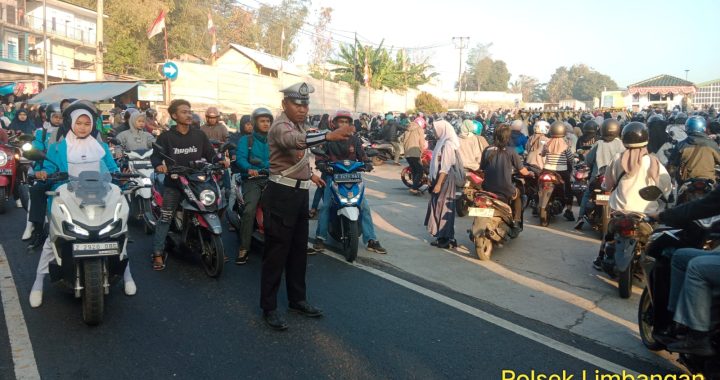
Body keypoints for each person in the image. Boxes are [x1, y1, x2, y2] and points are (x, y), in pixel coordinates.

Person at [260, 82, 353, 331]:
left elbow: (300, 154)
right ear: (284, 105)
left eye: (305, 104)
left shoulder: (299, 124)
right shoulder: (281, 126)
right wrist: (327, 135)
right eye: (297, 104)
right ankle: (269, 307)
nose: (302, 109)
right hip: (281, 195)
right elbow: (296, 143)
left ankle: (297, 300)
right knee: (276, 254)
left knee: (298, 251)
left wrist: (310, 174)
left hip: (299, 194)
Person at [28, 101, 135, 308]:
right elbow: (49, 167)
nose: (83, 127)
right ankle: (38, 282)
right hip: (66, 198)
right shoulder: (57, 147)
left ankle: (128, 276)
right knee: (53, 239)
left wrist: (122, 177)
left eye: (87, 123)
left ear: (93, 125)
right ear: (70, 123)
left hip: (100, 197)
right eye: (79, 123)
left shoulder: (101, 146)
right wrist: (43, 173)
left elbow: (112, 170)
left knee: (117, 234)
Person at [150, 99, 226, 271]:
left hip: (197, 181)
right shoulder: (166, 137)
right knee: (166, 217)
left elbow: (211, 154)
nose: (188, 114)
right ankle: (158, 253)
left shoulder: (199, 135)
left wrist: (220, 161)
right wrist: (159, 166)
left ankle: (213, 244)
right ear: (174, 116)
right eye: (184, 112)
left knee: (216, 205)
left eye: (189, 111)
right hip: (175, 182)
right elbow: (155, 156)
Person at [592, 122, 672, 269]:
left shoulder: (617, 158)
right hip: (645, 211)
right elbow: (665, 184)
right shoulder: (652, 160)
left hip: (620, 208)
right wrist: (666, 195)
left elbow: (608, 182)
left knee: (609, 234)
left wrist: (605, 187)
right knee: (655, 236)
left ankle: (600, 257)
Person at [312, 110, 387, 255]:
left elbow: (362, 155)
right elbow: (320, 157)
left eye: (347, 122)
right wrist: (321, 164)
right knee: (326, 205)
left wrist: (367, 163)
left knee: (364, 206)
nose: (344, 124)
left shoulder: (355, 140)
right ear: (334, 124)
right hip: (333, 176)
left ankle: (371, 240)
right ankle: (320, 237)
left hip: (353, 177)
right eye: (341, 121)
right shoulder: (328, 139)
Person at [233, 107, 272, 265]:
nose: (266, 124)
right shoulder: (246, 140)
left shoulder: (274, 140)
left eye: (268, 121)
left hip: (271, 178)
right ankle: (244, 247)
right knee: (249, 210)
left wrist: (269, 167)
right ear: (255, 122)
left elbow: (279, 157)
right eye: (262, 121)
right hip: (252, 179)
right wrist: (249, 169)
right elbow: (240, 158)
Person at [23, 103, 64, 246]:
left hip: (67, 171)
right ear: (48, 116)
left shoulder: (69, 132)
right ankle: (37, 228)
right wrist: (38, 153)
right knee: (36, 190)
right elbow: (37, 148)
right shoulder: (42, 132)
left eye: (61, 117)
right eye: (55, 117)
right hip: (45, 168)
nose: (59, 120)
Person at [481, 124, 533, 230]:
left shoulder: (487, 150)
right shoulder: (511, 151)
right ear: (507, 137)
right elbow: (522, 170)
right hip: (505, 189)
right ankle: (517, 221)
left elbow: (482, 168)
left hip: (486, 188)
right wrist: (530, 173)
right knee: (518, 194)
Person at [575, 119, 625, 230]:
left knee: (587, 194)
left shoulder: (599, 144)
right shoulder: (621, 144)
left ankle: (580, 217)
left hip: (598, 177)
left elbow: (588, 160)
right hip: (616, 178)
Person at [424, 119, 461, 249]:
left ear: (442, 129)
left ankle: (446, 239)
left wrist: (439, 184)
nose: (434, 131)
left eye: (435, 129)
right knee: (438, 206)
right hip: (439, 178)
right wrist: (430, 177)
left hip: (444, 179)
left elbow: (445, 167)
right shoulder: (441, 142)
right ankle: (443, 237)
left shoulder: (448, 145)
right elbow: (434, 162)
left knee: (444, 207)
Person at [540, 121, 575, 221]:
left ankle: (536, 203)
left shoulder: (547, 143)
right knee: (568, 190)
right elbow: (570, 159)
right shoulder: (565, 145)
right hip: (562, 171)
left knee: (539, 184)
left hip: (547, 170)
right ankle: (569, 211)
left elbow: (542, 154)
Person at [669, 115, 720, 184]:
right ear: (704, 128)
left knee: (680, 193)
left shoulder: (680, 145)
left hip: (687, 181)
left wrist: (672, 178)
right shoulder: (712, 144)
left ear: (687, 127)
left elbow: (672, 165)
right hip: (709, 181)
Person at [401, 119, 427, 195]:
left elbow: (403, 139)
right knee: (420, 171)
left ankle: (415, 186)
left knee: (414, 170)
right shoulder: (419, 129)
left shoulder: (408, 128)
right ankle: (414, 188)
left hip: (407, 152)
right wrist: (422, 151)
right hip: (414, 152)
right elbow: (421, 141)